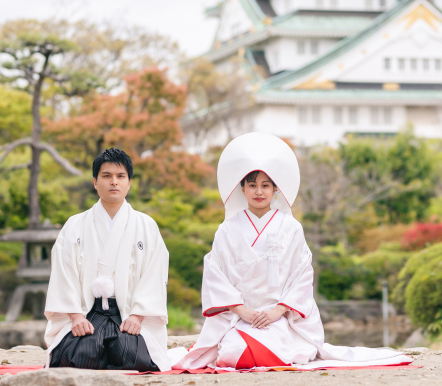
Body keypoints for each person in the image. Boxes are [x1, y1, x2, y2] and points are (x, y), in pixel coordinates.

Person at [172, 133, 411, 370]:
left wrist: (278, 311)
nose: (259, 191)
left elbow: (302, 274)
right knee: (233, 354)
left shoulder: (291, 227)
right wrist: (241, 310)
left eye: (266, 185)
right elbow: (215, 275)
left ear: (275, 189)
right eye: (252, 185)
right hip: (239, 318)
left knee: (284, 352)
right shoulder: (226, 230)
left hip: (280, 317)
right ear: (242, 189)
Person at [43, 148, 170, 371]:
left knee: (132, 356)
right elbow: (64, 273)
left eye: (120, 176)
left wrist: (138, 316)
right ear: (95, 182)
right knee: (80, 357)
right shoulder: (74, 224)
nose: (114, 182)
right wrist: (75, 317)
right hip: (87, 312)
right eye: (106, 176)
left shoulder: (146, 225)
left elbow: (154, 274)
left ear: (129, 183)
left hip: (128, 313)